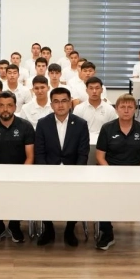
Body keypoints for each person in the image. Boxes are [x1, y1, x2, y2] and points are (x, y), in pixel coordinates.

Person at [95, 94, 140, 250]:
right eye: (122, 107)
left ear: (135, 110)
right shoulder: (107, 128)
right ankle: (107, 233)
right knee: (100, 193)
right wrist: (111, 174)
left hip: (136, 175)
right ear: (116, 109)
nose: (126, 110)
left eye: (130, 107)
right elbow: (100, 157)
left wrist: (139, 177)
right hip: (111, 174)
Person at [34, 87, 90, 247]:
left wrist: (76, 173)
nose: (60, 105)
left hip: (73, 171)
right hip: (48, 170)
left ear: (70, 103)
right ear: (51, 105)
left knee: (75, 198)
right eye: (56, 102)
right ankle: (48, 229)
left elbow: (83, 153)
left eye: (64, 101)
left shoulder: (80, 124)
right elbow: (40, 152)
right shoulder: (43, 123)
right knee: (43, 196)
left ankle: (70, 229)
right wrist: (45, 173)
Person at [0, 91, 36, 243]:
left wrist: (21, 176)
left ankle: (14, 225)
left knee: (23, 192)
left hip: (20, 173)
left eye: (9, 105)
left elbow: (30, 156)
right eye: (1, 105)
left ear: (15, 107)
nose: (5, 109)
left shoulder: (26, 127)